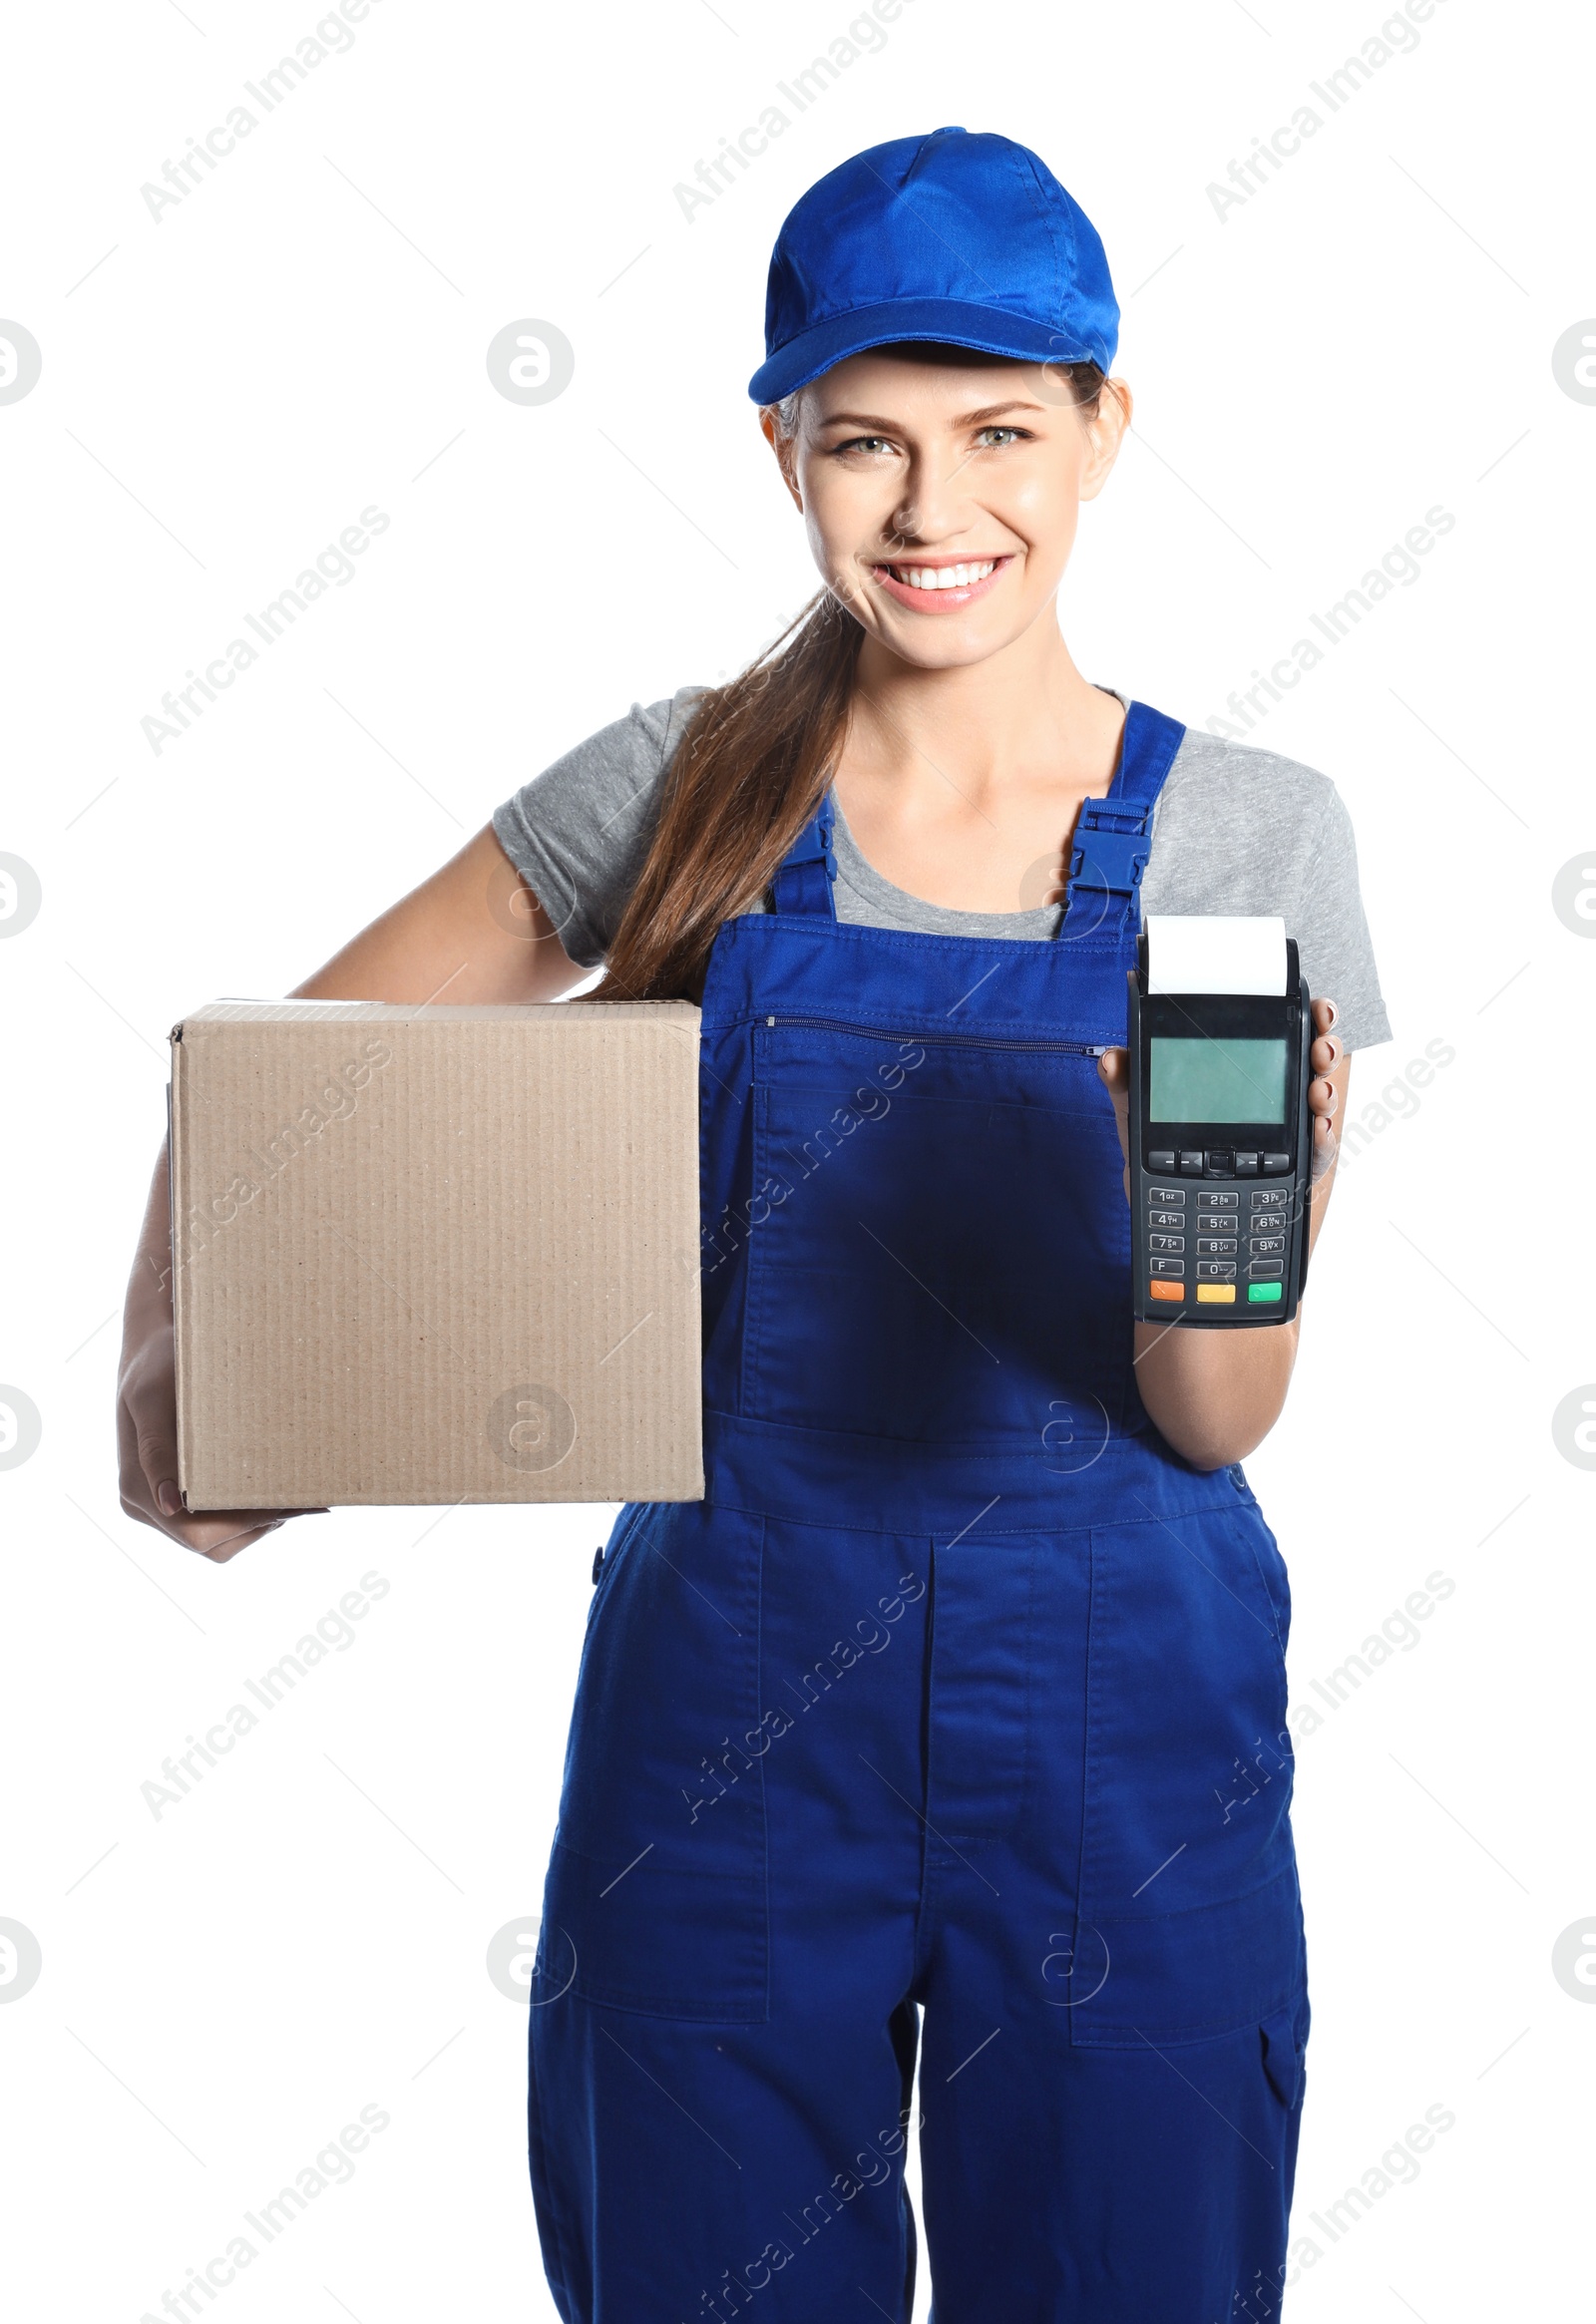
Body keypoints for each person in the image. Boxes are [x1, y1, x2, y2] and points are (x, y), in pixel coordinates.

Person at [119, 127, 1390, 2324]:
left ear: (1103, 426)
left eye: (999, 431)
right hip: (726, 1738)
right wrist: (195, 1401)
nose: (933, 510)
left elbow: (1211, 1416)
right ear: (779, 445)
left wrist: (1206, 1202)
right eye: (865, 442)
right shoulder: (684, 780)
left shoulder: (1245, 836)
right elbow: (272, 1085)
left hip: (1126, 1750)